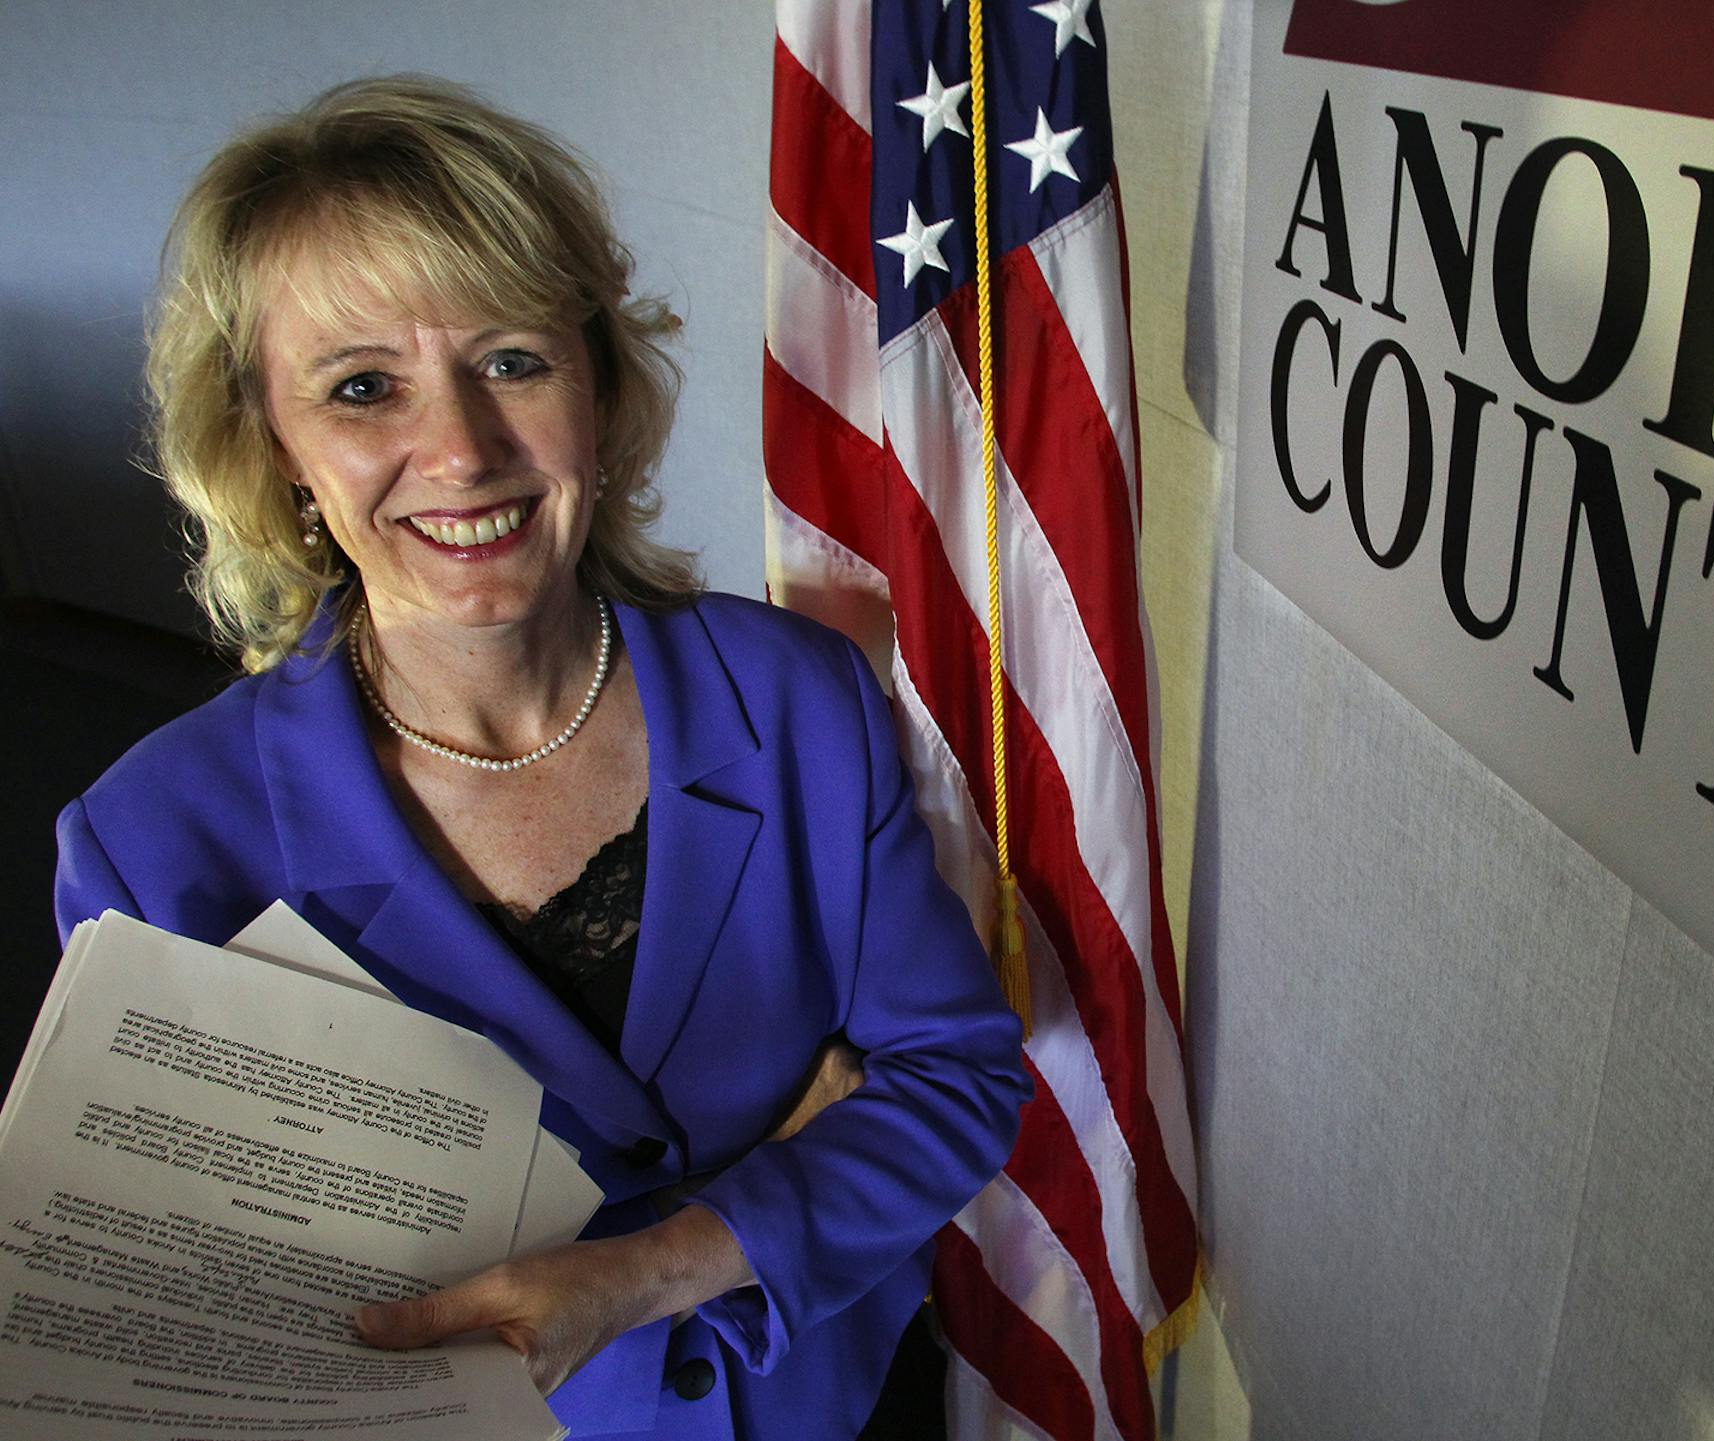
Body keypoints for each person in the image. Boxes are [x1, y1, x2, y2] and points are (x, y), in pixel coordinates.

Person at [52, 75, 1028, 1440]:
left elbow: (956, 1081)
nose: (460, 451)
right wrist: (792, 1164)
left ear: (601, 385)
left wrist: (653, 1265)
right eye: (363, 388)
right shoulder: (152, 845)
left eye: (512, 360)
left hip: (838, 1404)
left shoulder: (797, 694)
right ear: (276, 449)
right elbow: (200, 1321)